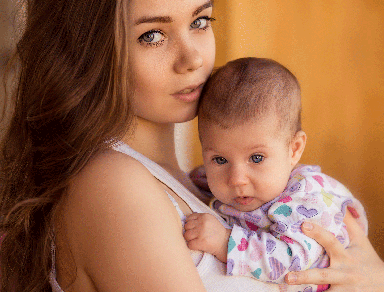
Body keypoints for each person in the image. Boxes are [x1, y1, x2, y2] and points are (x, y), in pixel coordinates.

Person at [0, 0, 383, 291]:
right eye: (153, 35)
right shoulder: (113, 184)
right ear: (85, 50)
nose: (193, 58)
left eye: (199, 22)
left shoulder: (203, 184)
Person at [184, 57, 368, 292]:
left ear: (294, 149)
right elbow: (202, 179)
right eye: (220, 159)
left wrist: (225, 242)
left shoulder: (306, 199)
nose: (237, 179)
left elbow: (290, 263)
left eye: (257, 158)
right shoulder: (231, 182)